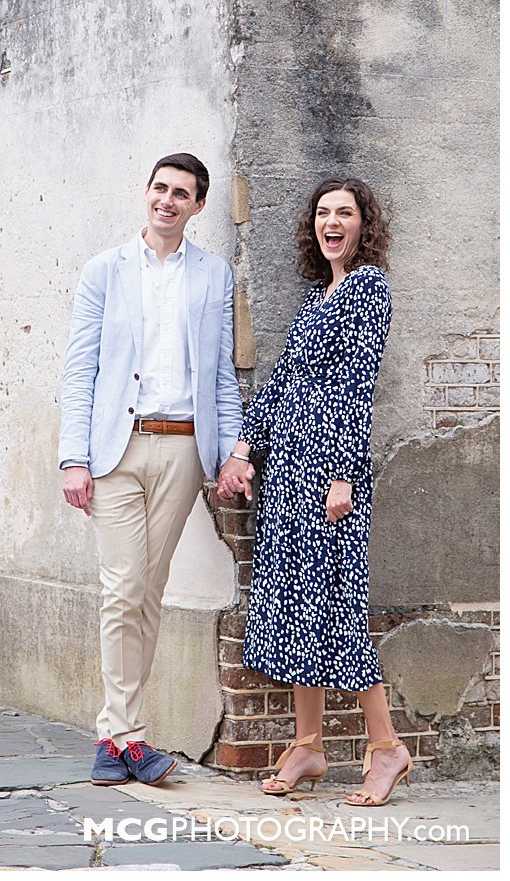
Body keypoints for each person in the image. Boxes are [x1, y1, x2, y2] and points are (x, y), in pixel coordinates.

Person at [217, 177, 408, 807]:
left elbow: (355, 390)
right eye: (324, 213)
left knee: (339, 612)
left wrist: (343, 476)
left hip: (330, 474)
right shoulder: (315, 298)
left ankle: (386, 749)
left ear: (362, 224)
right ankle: (308, 744)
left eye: (345, 213)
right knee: (294, 610)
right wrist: (246, 448)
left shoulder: (368, 290)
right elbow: (281, 385)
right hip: (289, 474)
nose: (333, 222)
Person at [59, 153, 243, 787]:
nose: (167, 200)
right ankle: (129, 736)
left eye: (182, 193)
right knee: (122, 588)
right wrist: (73, 458)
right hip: (116, 451)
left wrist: (230, 451)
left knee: (149, 593)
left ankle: (115, 741)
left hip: (184, 450)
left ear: (197, 206)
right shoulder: (104, 272)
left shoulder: (213, 275)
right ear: (147, 194)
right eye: (160, 188)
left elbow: (220, 374)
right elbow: (80, 370)